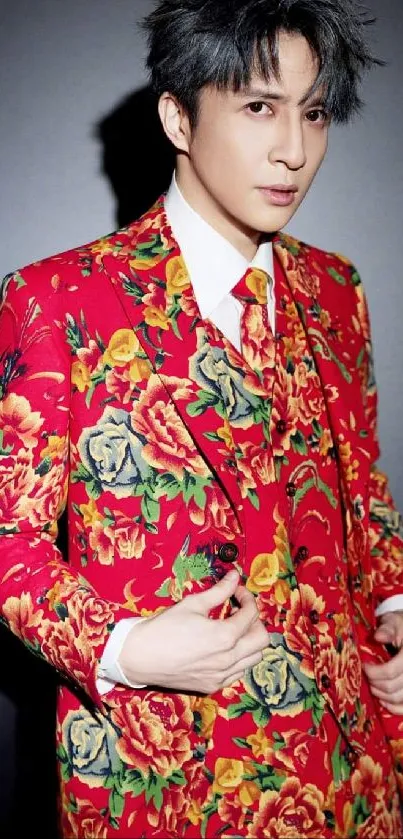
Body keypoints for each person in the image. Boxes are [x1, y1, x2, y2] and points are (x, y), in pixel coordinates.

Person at [1, 0, 403, 836]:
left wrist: (396, 609)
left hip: (349, 771)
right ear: (177, 116)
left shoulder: (336, 290)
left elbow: (363, 493)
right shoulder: (59, 300)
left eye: (315, 112)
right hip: (167, 781)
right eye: (259, 107)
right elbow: (10, 540)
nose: (294, 149)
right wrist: (123, 649)